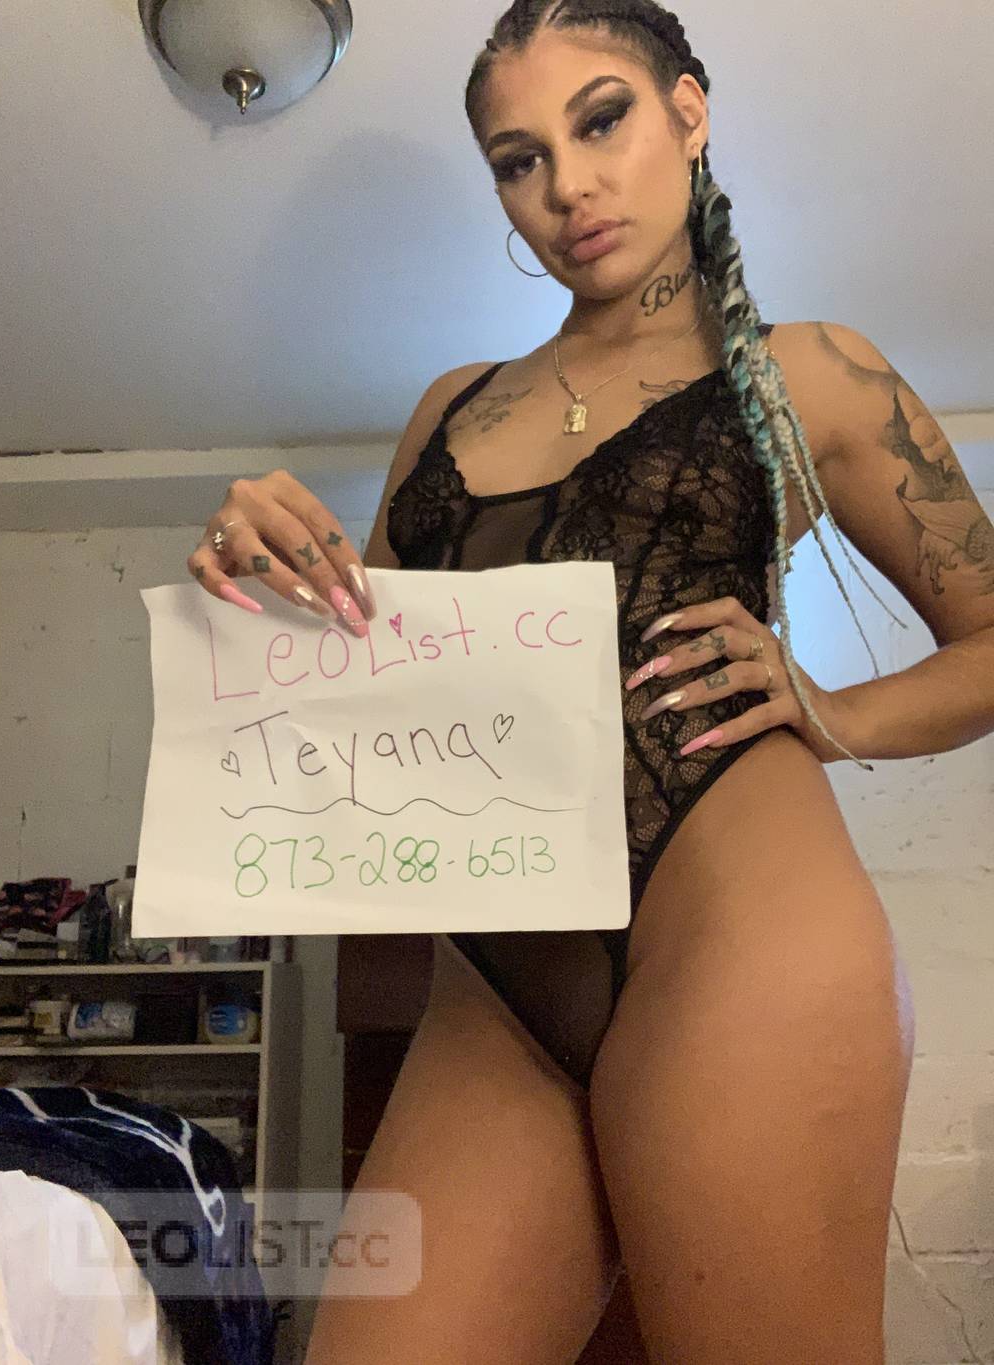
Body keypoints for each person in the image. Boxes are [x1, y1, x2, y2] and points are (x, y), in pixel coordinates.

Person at [183, 5, 989, 1360]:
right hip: (496, 991)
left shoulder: (811, 374)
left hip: (737, 923)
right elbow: (364, 686)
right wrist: (260, 566)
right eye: (520, 159)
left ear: (690, 110)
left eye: (601, 119)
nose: (567, 184)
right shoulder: (449, 408)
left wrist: (834, 712)